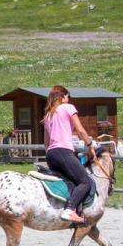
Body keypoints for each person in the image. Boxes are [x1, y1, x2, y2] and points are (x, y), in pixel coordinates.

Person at [42, 84, 97, 224]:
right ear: (63, 97)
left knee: (71, 182)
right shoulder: (68, 107)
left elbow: (46, 143)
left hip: (51, 154)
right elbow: (80, 130)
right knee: (85, 182)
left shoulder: (48, 115)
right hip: (63, 152)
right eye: (68, 96)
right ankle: (69, 210)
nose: (69, 99)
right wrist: (90, 145)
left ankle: (74, 210)